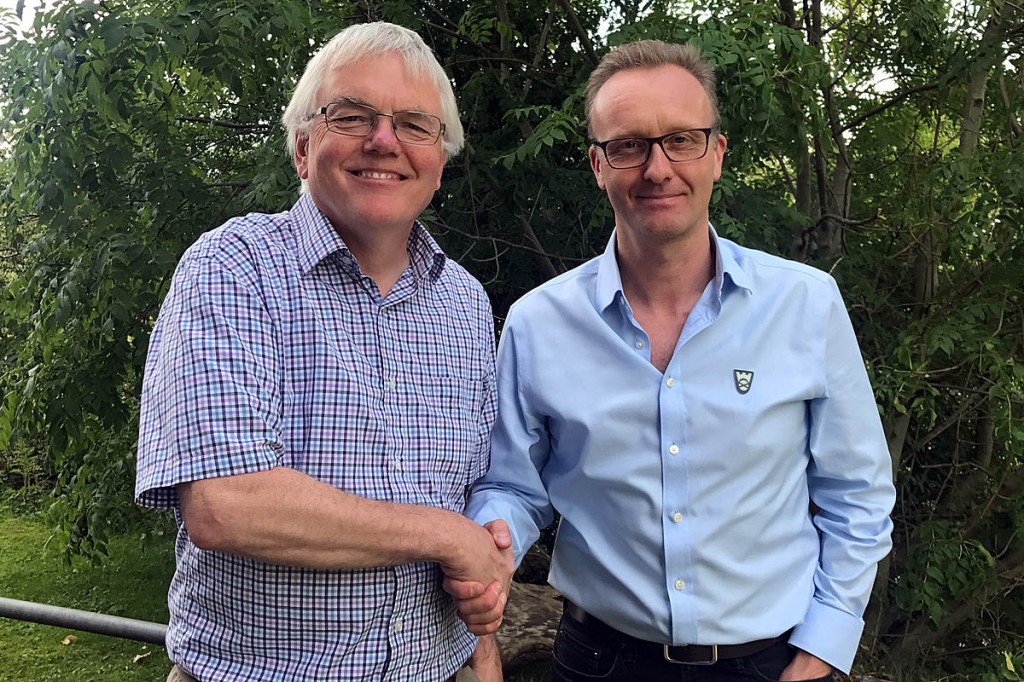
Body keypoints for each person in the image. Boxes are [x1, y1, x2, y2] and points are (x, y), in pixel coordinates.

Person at [457, 40, 896, 681]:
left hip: (773, 664)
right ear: (597, 165)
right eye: (628, 145)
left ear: (717, 153)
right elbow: (515, 487)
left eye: (682, 139)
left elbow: (856, 493)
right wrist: (489, 544)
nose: (657, 168)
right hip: (599, 661)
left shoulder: (805, 305)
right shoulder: (538, 323)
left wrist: (824, 648)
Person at [135, 22, 513, 682]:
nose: (384, 140)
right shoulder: (232, 268)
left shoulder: (466, 302)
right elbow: (226, 504)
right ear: (304, 148)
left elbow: (470, 490)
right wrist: (447, 536)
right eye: (353, 115)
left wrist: (482, 633)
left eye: (415, 124)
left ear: (439, 161)